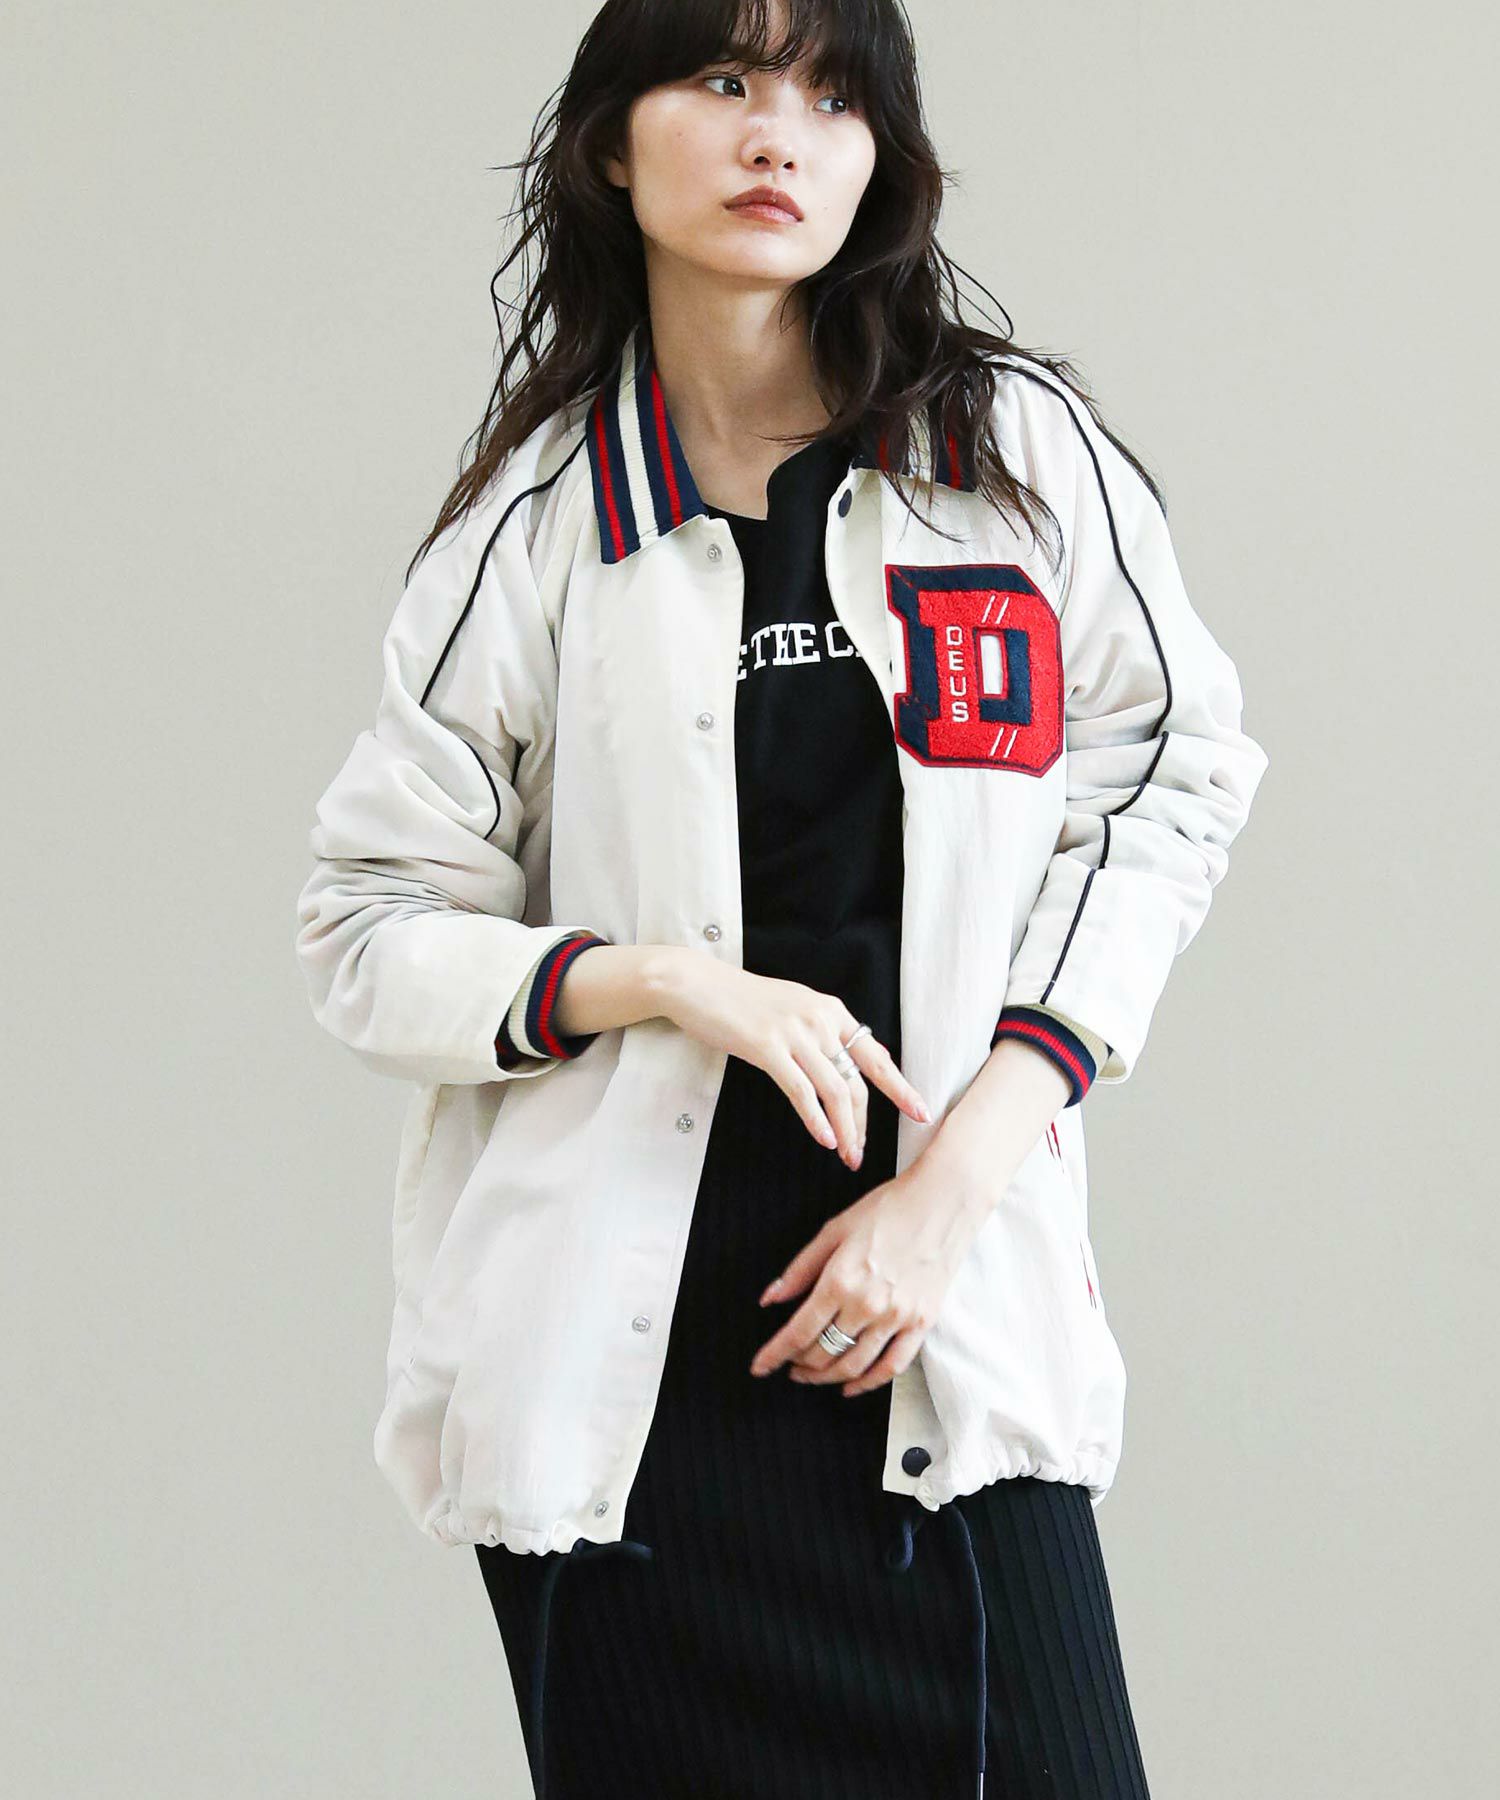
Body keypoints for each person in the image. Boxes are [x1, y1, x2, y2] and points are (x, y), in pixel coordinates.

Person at [293, 2, 1269, 1795]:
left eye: (832, 97)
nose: (778, 136)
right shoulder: (538, 528)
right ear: (612, 144)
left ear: (880, 156)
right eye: (724, 81)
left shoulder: (1006, 460)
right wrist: (666, 980)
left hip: (942, 1317)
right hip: (631, 1402)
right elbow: (369, 925)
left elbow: (1166, 783)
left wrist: (951, 1190)